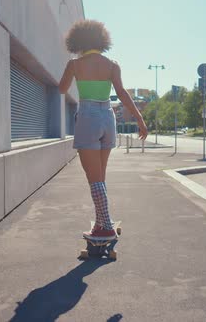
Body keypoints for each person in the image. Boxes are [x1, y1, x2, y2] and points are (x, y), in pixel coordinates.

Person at [59, 20, 148, 240]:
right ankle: (101, 222)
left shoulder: (74, 64)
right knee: (100, 177)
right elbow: (122, 94)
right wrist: (139, 119)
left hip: (88, 117)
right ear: (102, 40)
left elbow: (61, 89)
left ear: (78, 40)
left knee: (94, 178)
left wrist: (76, 75)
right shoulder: (112, 65)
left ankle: (105, 226)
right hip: (108, 118)